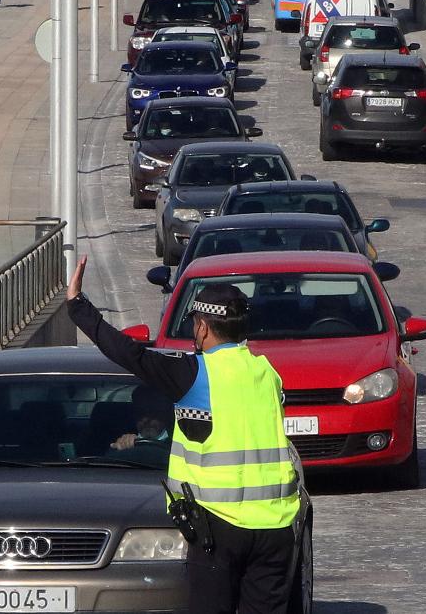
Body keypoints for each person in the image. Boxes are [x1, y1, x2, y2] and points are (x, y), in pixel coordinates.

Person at [67, 257, 301, 614]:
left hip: (219, 529)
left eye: (195, 324)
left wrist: (78, 308)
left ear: (203, 327)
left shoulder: (194, 373)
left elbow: (129, 354)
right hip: (277, 527)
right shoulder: (267, 373)